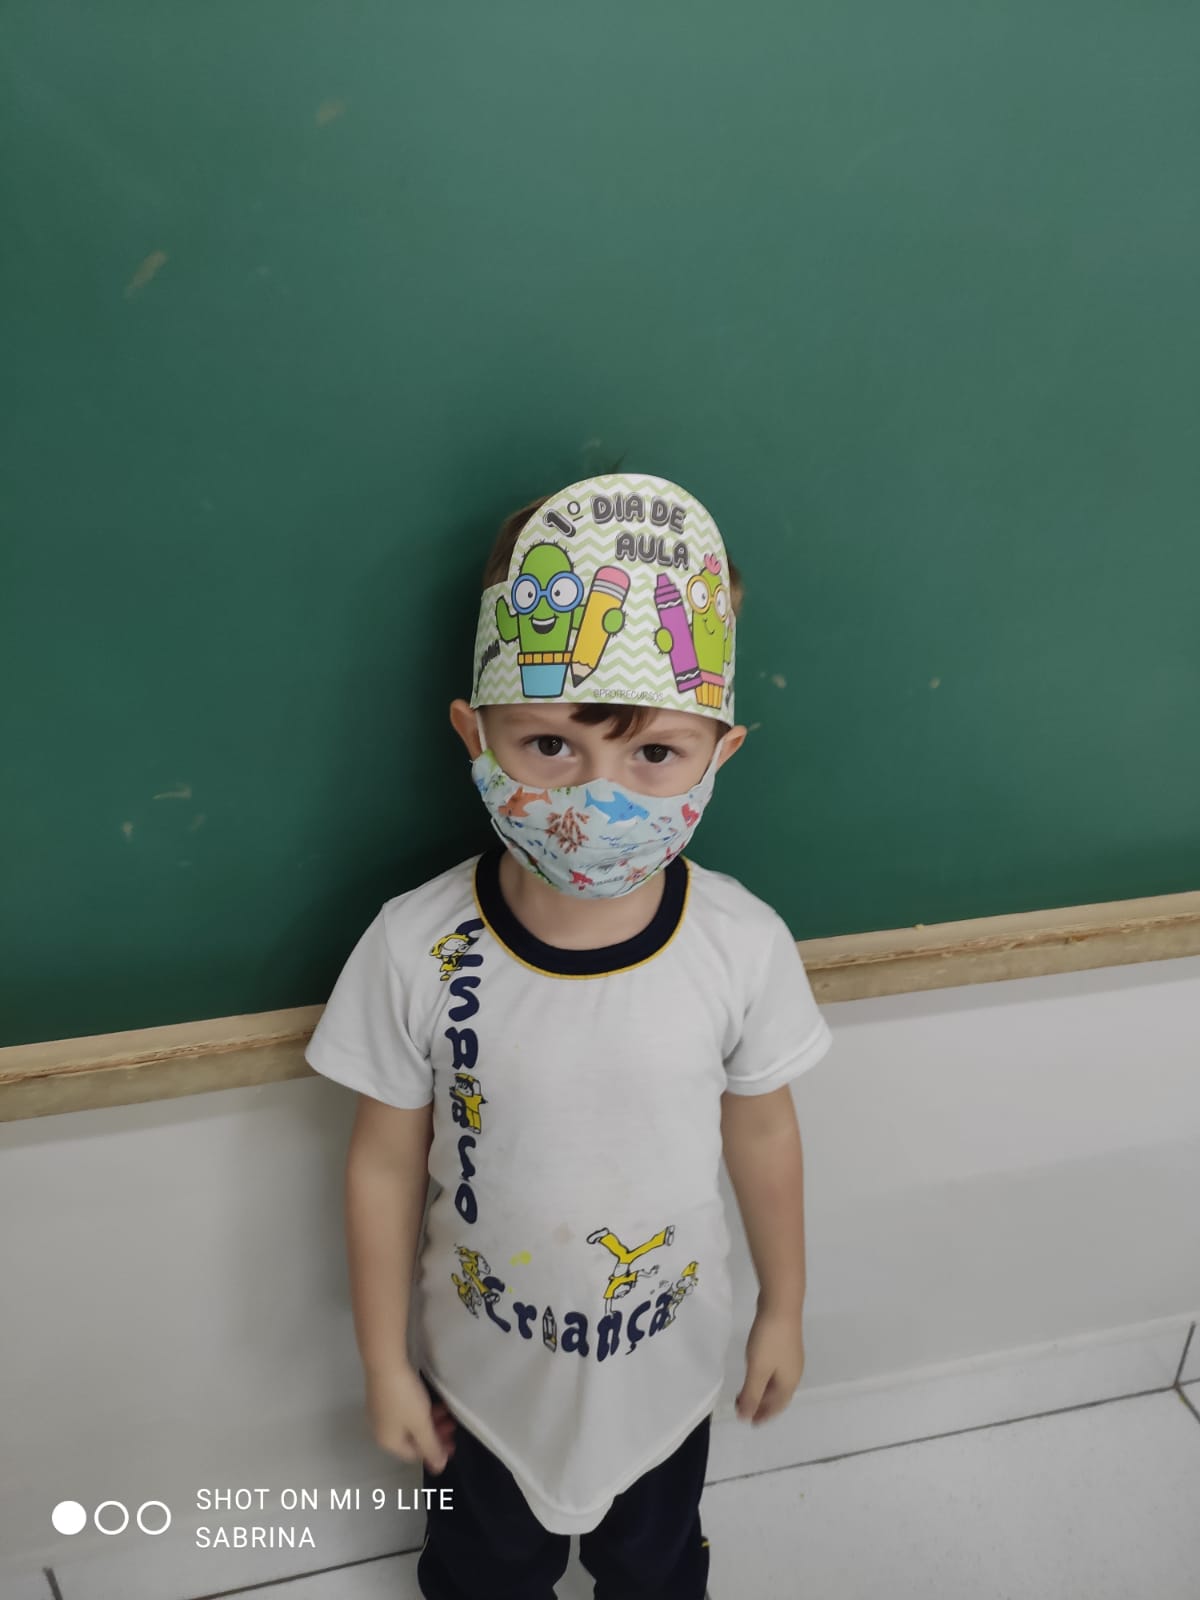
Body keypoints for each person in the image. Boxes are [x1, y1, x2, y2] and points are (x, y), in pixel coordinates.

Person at [304, 472, 834, 1600]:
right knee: (484, 1575)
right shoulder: (413, 947)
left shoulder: (741, 944)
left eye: (656, 755)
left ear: (720, 753)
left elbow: (765, 1135)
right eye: (549, 744)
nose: (598, 796)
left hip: (667, 1376)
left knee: (655, 1572)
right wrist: (384, 1362)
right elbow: (384, 1162)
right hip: (479, 1386)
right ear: (475, 733)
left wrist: (784, 1307)